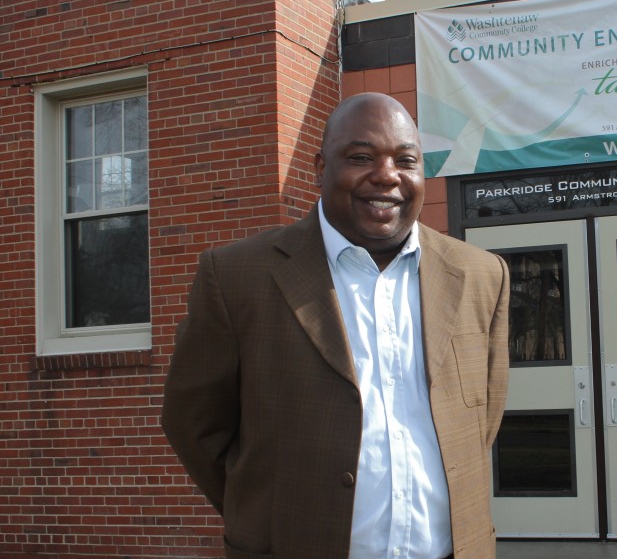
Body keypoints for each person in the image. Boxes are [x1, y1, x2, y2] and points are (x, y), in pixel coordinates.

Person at [161, 92, 510, 559]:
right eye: (361, 157)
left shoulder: (480, 274)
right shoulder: (236, 276)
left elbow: (482, 419)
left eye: (406, 160)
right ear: (319, 166)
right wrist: (264, 510)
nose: (387, 176)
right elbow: (194, 424)